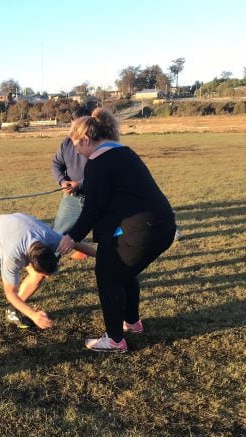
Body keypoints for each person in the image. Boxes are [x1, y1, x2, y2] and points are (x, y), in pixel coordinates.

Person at [58, 108, 175, 353]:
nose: (77, 152)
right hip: (162, 225)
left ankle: (114, 340)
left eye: (76, 146)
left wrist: (71, 237)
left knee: (108, 276)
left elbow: (92, 210)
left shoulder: (98, 162)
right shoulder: (123, 152)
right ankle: (132, 322)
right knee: (124, 273)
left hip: (142, 229)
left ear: (86, 140)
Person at [0, 212, 95, 330]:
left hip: (15, 229)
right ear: (29, 262)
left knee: (37, 277)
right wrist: (33, 314)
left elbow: (76, 243)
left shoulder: (51, 239)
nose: (48, 278)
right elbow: (10, 293)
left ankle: (13, 310)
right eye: (46, 274)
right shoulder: (13, 257)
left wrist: (101, 257)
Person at [52, 105, 90, 234]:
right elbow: (57, 164)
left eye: (78, 127)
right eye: (72, 126)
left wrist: (79, 184)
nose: (74, 130)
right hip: (72, 198)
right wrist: (62, 181)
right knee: (58, 235)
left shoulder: (98, 143)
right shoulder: (66, 143)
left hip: (97, 197)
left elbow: (104, 175)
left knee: (108, 237)